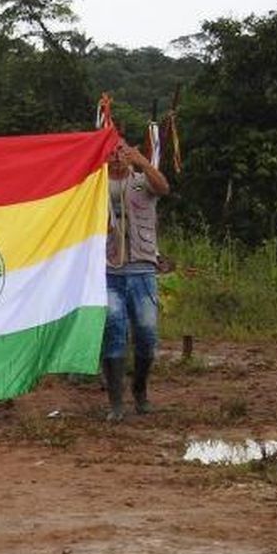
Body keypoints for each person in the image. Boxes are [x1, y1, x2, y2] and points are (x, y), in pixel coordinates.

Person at [102, 137, 171, 422]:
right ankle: (116, 402)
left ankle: (140, 389)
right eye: (111, 152)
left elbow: (164, 188)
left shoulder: (143, 182)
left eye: (121, 151)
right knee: (113, 331)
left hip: (142, 270)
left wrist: (143, 162)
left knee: (146, 333)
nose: (116, 156)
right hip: (107, 271)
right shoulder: (94, 188)